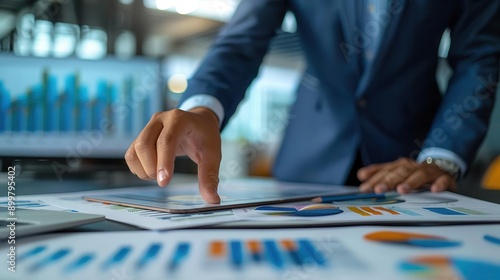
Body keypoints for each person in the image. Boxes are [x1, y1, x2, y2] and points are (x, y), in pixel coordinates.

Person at [125, 0, 500, 204]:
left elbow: (479, 58)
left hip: (413, 167)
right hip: (305, 167)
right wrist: (201, 110)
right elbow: (241, 43)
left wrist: (441, 156)